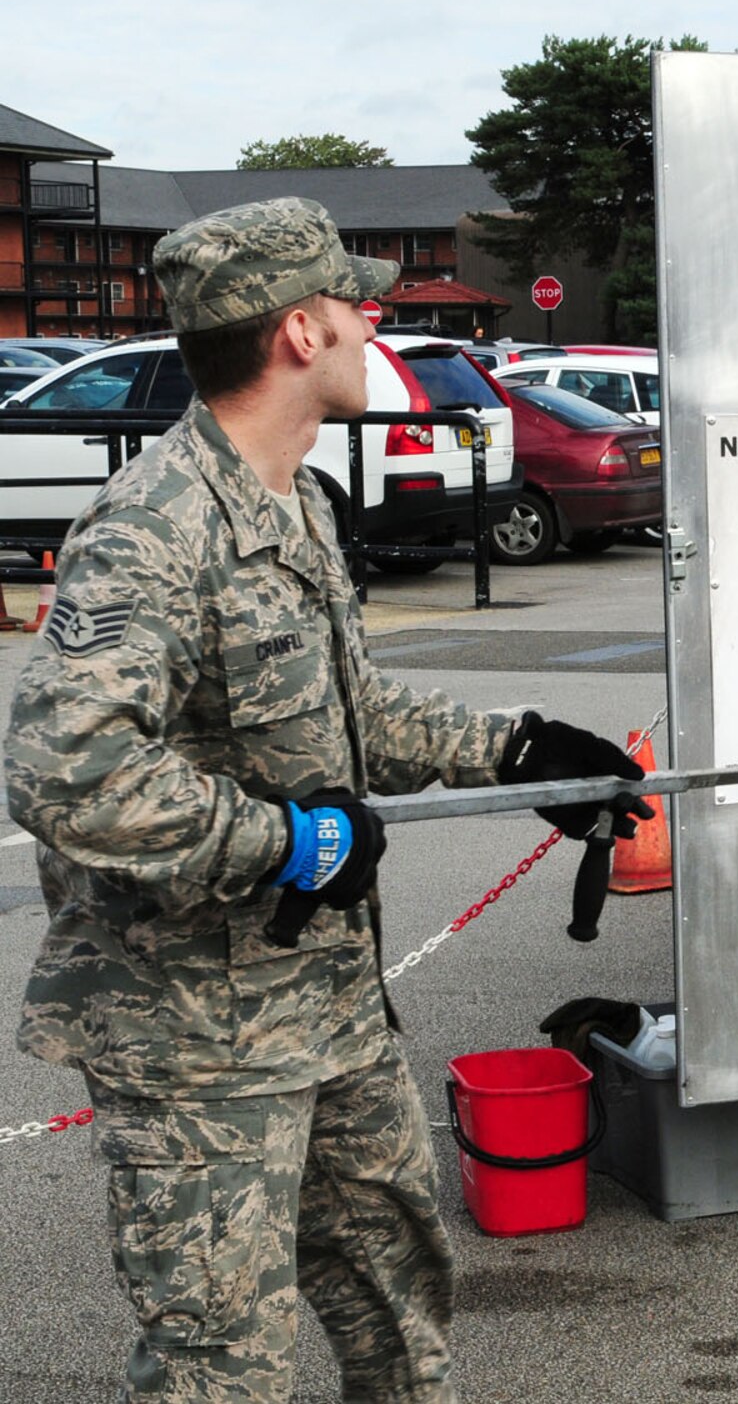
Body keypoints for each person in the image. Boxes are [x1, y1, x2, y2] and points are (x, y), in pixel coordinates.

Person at [5, 196, 644, 1402]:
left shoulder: (295, 499)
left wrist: (518, 752)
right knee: (221, 1368)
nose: (371, 323)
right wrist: (282, 844)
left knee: (401, 1307)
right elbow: (65, 770)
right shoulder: (153, 528)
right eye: (356, 305)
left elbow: (352, 723)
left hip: (329, 1010)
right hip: (195, 1042)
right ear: (301, 332)